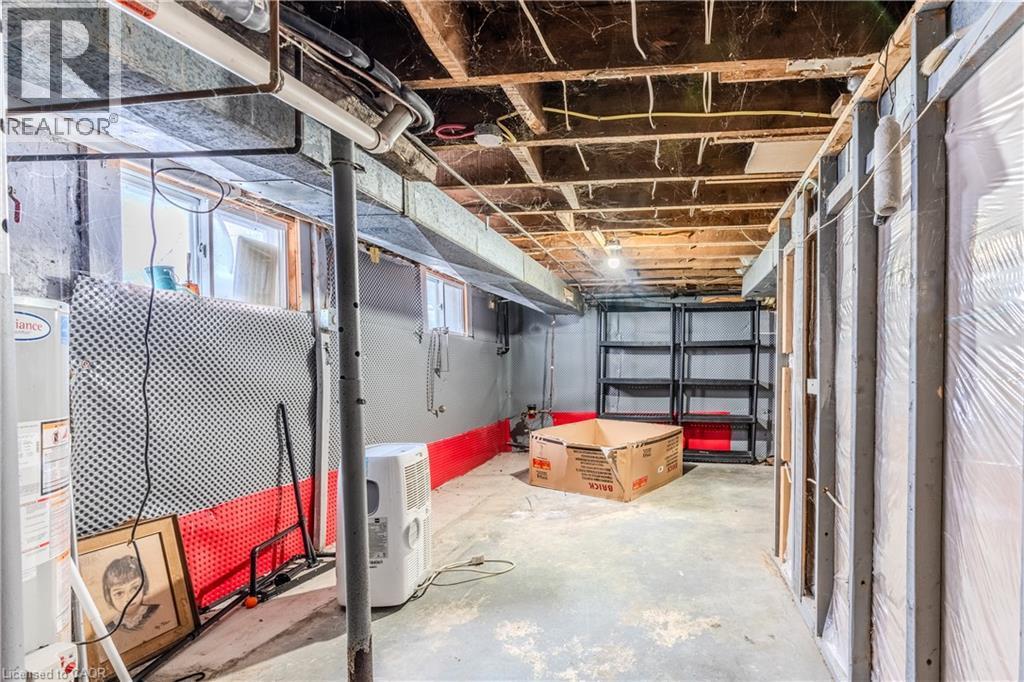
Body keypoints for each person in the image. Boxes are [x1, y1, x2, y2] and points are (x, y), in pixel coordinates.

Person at [102, 554, 160, 632]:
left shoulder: (157, 611)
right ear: (109, 597)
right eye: (119, 593)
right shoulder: (108, 629)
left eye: (134, 588)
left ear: (144, 585)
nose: (129, 598)